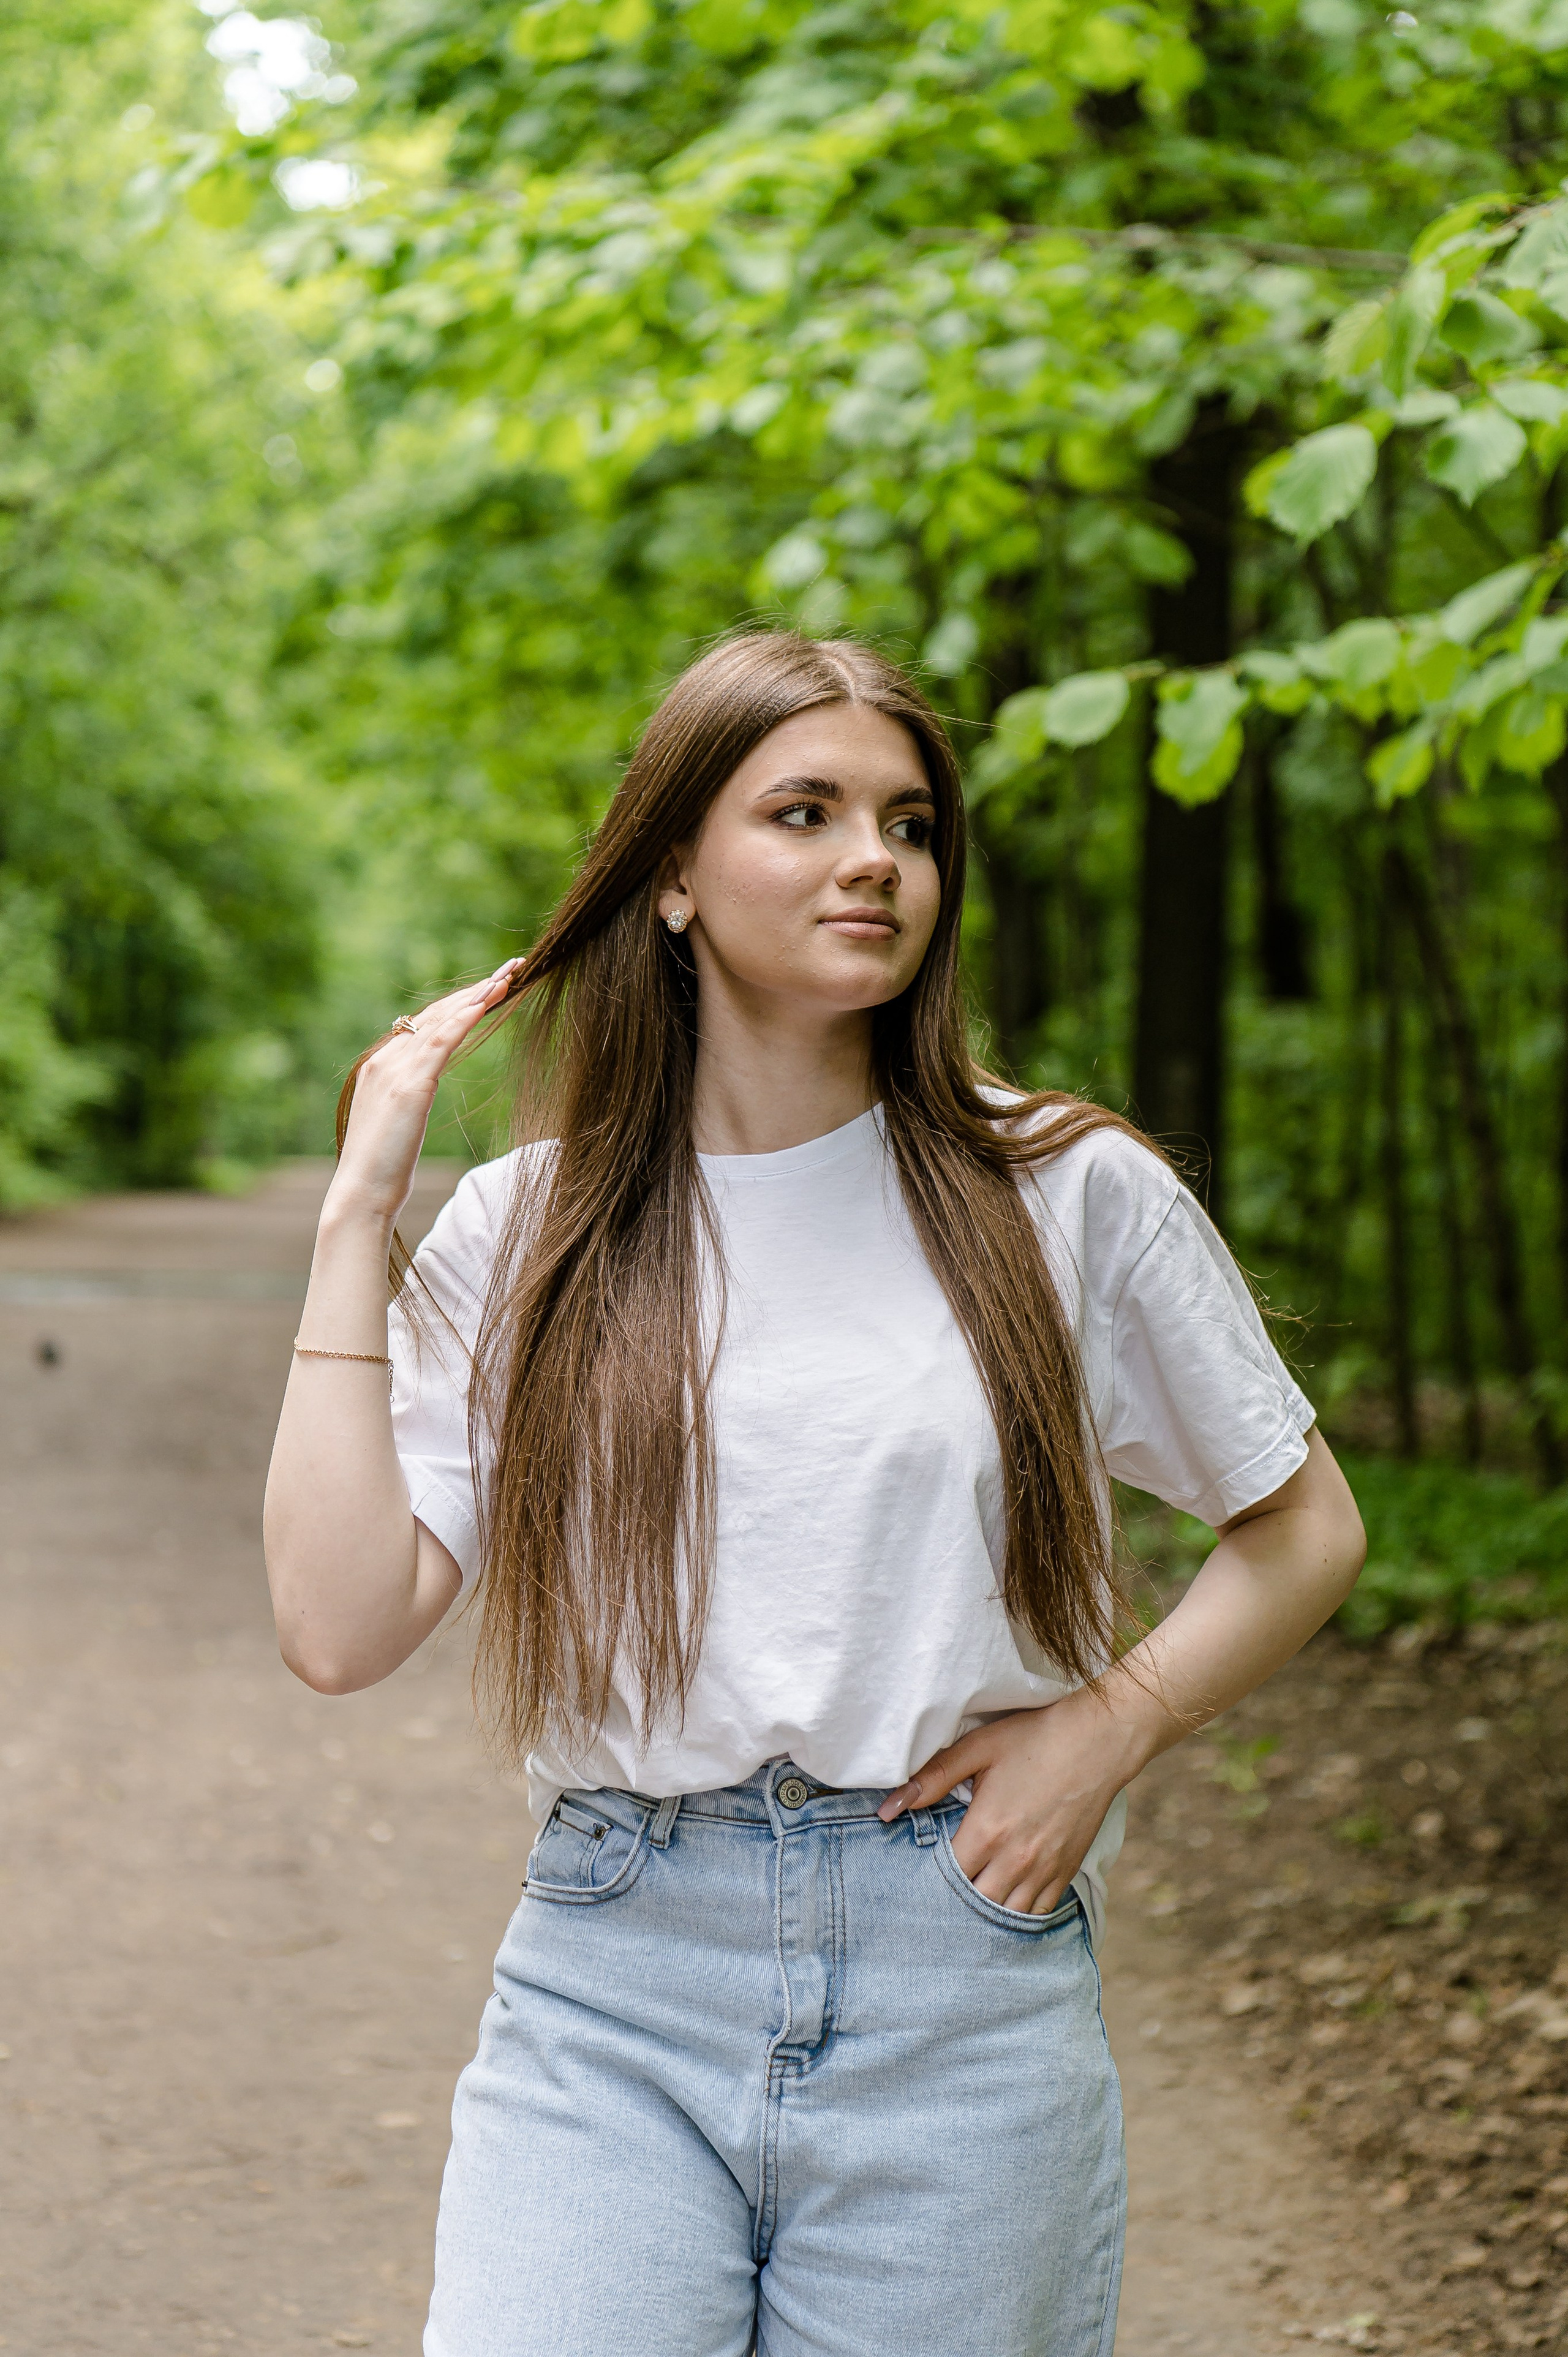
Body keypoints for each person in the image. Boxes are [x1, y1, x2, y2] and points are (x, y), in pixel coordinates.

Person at [263, 630, 1366, 2357]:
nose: (877, 858)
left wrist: (1106, 1730)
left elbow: (1304, 1528)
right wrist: (356, 1220)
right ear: (676, 877)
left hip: (959, 1975)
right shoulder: (526, 1231)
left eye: (911, 824)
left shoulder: (1064, 1192)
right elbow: (337, 1627)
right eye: (806, 810)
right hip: (616, 1977)